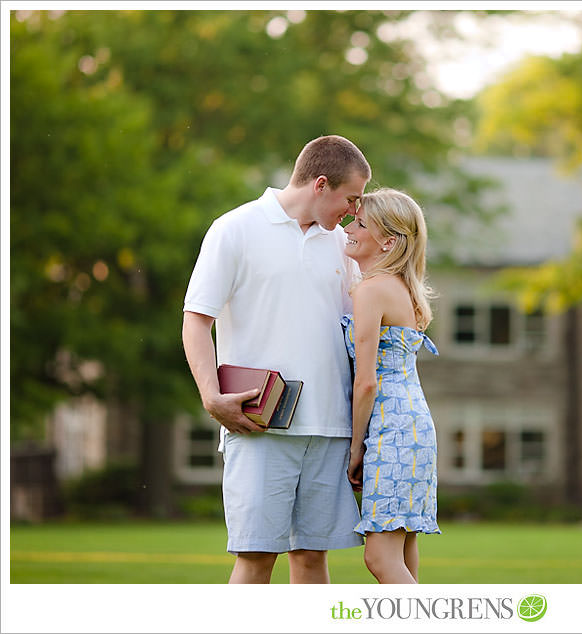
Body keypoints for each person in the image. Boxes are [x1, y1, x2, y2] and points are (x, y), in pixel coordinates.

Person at [181, 134, 370, 584]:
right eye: (352, 198)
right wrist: (211, 397)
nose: (355, 211)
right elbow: (195, 320)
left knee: (311, 558)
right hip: (260, 425)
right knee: (255, 558)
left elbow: (361, 335)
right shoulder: (235, 228)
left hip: (330, 430)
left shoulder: (344, 245)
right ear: (320, 184)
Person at [341, 188, 441, 584]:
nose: (349, 226)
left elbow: (366, 383)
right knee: (402, 550)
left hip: (392, 431)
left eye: (360, 223)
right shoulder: (400, 287)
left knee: (380, 559)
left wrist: (354, 448)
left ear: (388, 240)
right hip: (413, 427)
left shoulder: (372, 289)